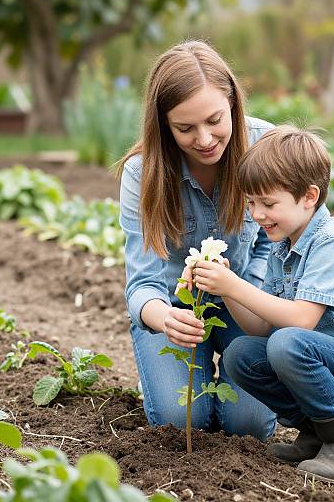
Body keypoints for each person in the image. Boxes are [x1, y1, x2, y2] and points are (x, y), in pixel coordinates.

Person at [191, 125, 334, 483]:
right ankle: (317, 435)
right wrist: (228, 289)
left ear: (309, 196)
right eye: (251, 203)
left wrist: (236, 286)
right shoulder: (283, 246)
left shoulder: (330, 243)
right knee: (240, 354)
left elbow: (301, 321)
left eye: (268, 203)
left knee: (287, 342)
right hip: (327, 364)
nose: (257, 214)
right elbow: (261, 327)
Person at [117, 40, 277, 440]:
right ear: (164, 125)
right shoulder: (144, 173)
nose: (204, 139)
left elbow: (277, 243)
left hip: (248, 304)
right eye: (185, 128)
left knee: (250, 426)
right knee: (181, 420)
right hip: (176, 310)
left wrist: (241, 288)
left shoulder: (264, 147)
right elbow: (142, 284)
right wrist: (164, 317)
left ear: (233, 103)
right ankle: (175, 373)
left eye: (214, 120)